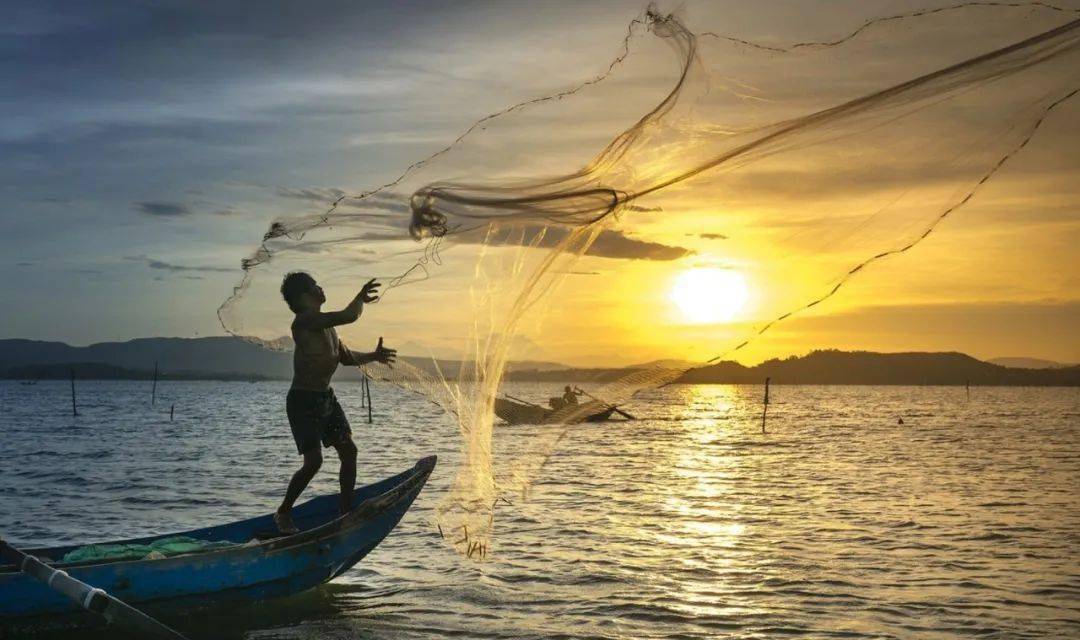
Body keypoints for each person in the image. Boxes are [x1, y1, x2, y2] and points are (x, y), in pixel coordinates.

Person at [274, 272, 397, 534]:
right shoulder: (305, 322)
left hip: (325, 398)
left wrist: (373, 356)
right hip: (302, 401)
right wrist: (360, 298)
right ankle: (284, 512)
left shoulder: (327, 327)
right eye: (315, 285)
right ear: (304, 297)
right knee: (314, 462)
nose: (321, 287)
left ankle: (345, 512)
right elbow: (349, 315)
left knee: (349, 451)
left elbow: (347, 358)